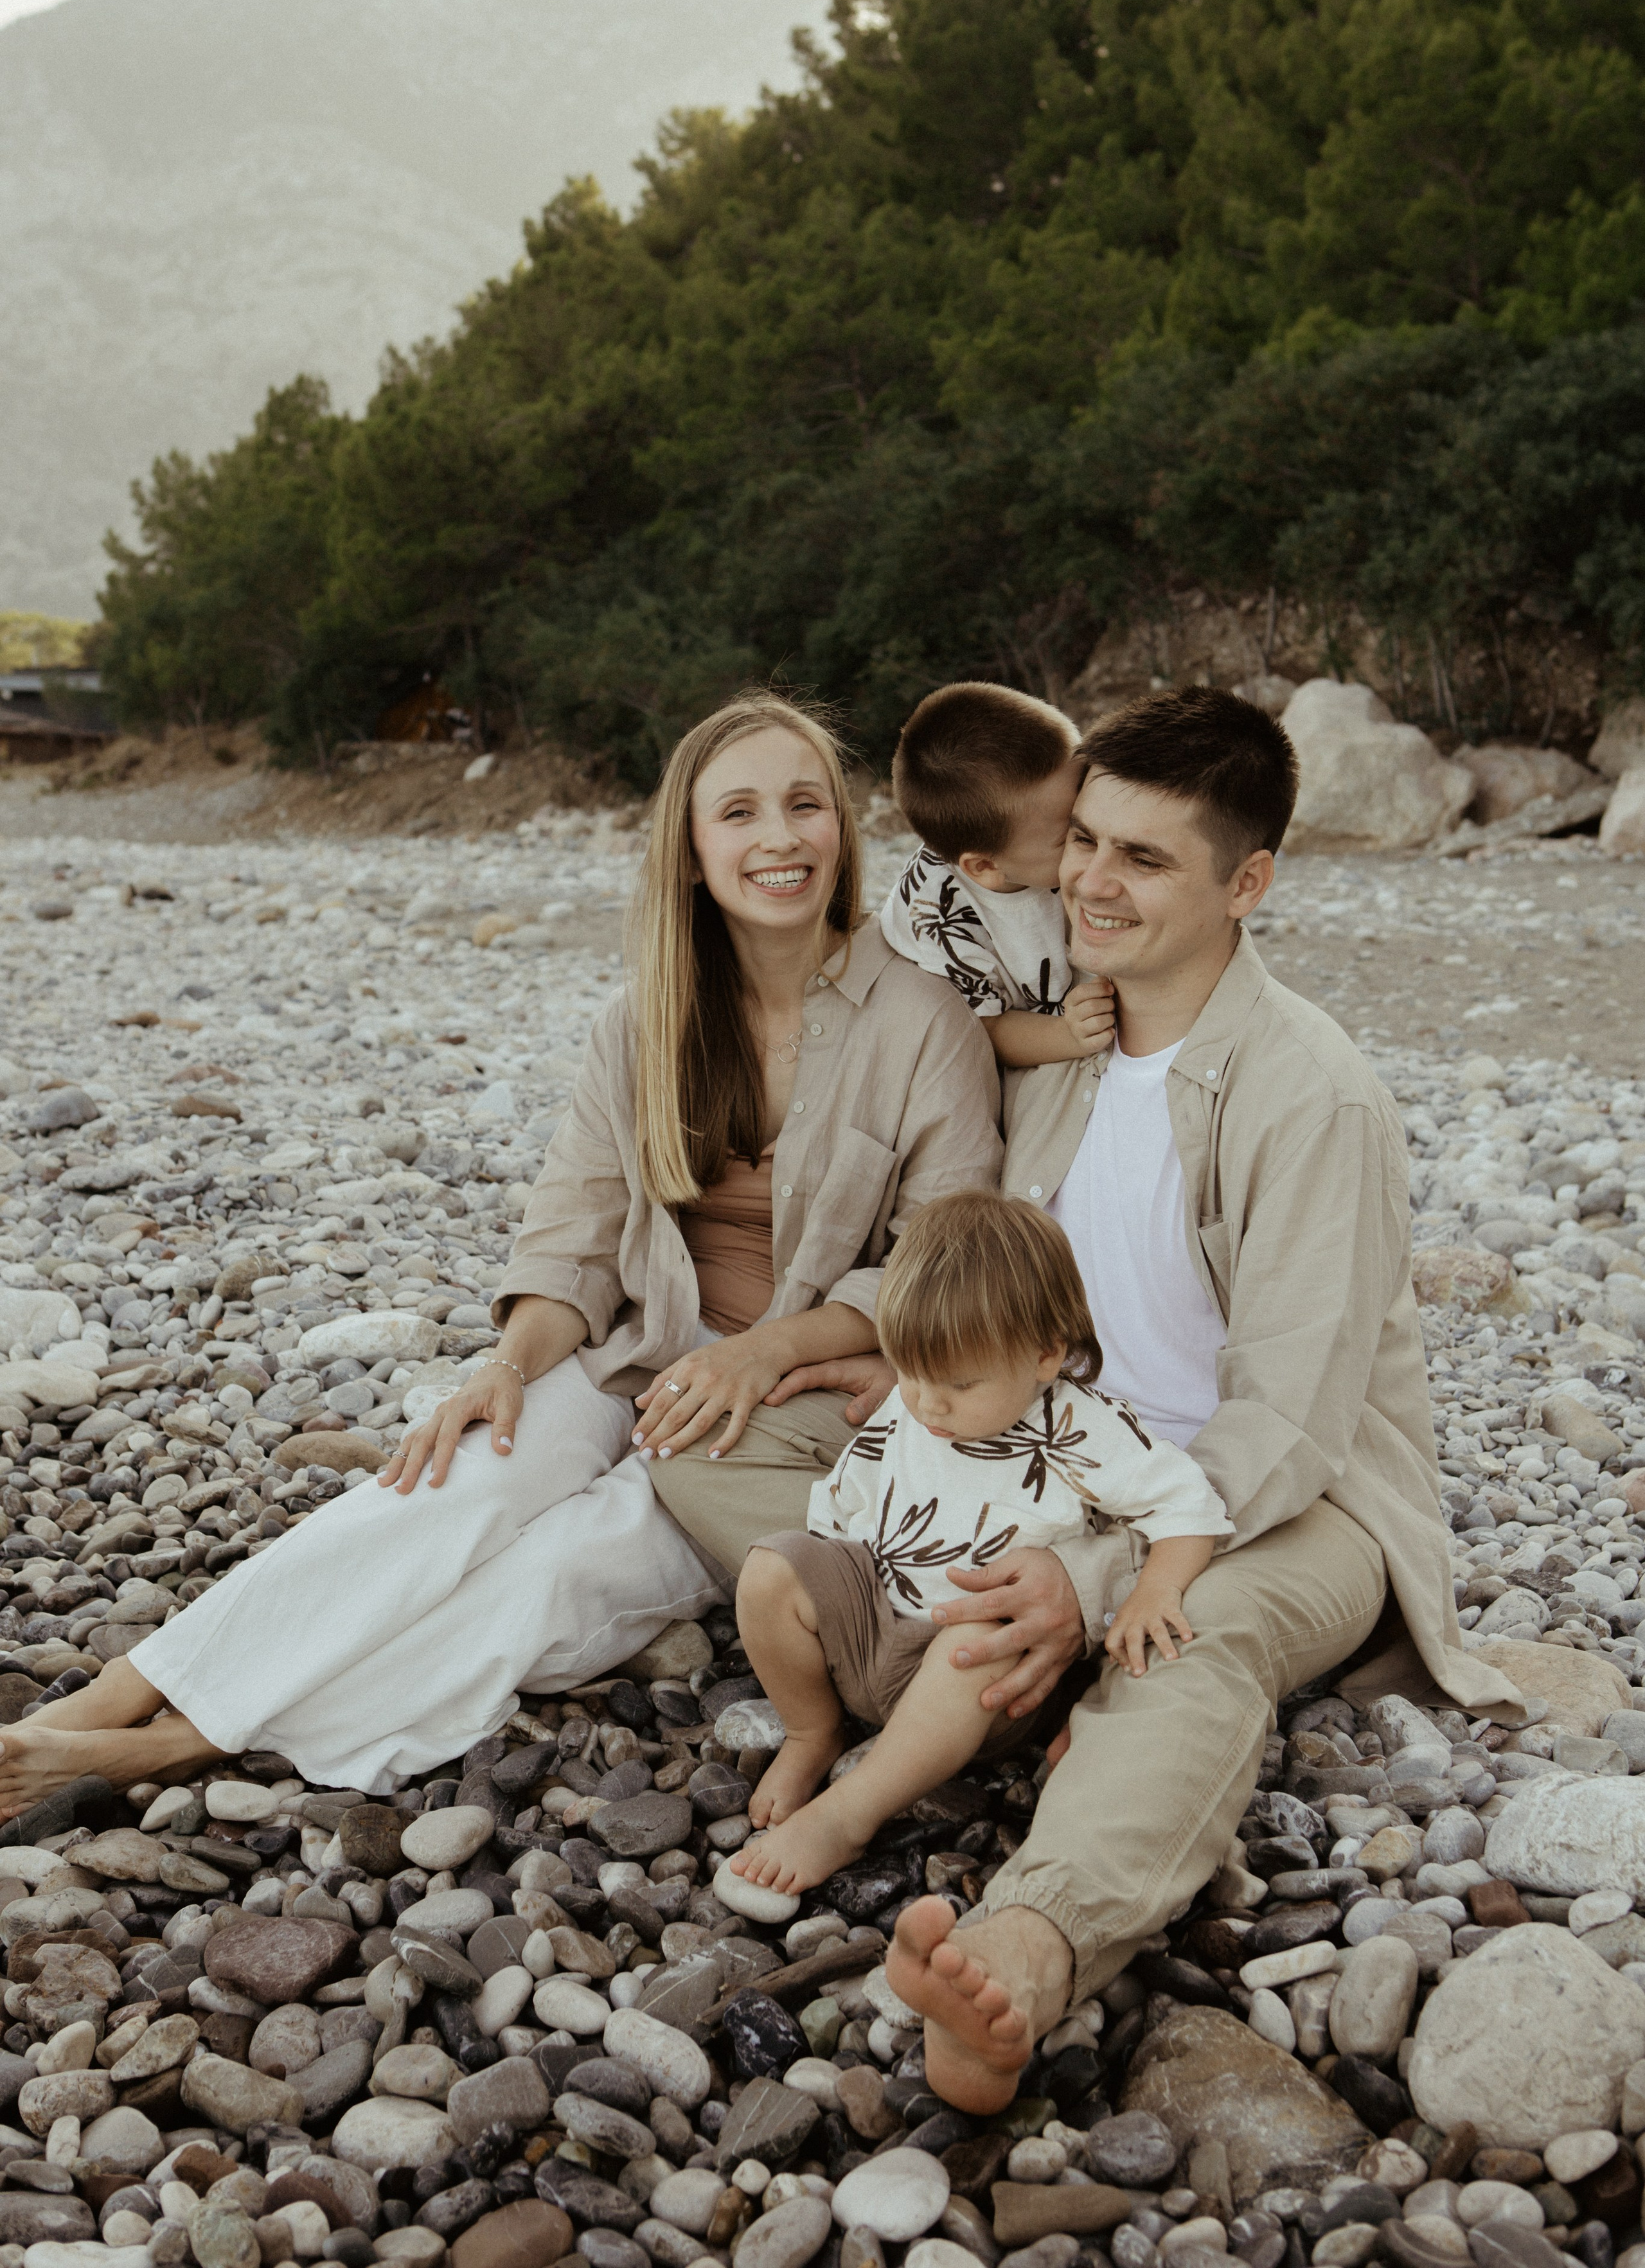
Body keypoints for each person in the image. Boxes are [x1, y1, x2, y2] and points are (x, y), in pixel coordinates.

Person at [651, 683, 1527, 2116]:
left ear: (1246, 884)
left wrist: (1097, 1572)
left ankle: (1028, 1947)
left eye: (1144, 858)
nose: (1092, 883)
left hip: (1276, 1507)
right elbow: (983, 1275)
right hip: (1045, 1446)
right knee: (716, 1451)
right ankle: (987, 1663)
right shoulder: (1055, 1054)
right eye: (1085, 841)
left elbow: (1288, 1425)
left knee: (1189, 1638)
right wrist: (905, 1366)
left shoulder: (1310, 1095)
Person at [0, 692, 1001, 1811]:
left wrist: (762, 1354)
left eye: (805, 805)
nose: (780, 838)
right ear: (690, 851)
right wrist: (508, 1366)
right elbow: (575, 1237)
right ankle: (118, 1695)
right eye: (740, 813)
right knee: (442, 1491)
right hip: (636, 1353)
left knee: (556, 1572)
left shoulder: (927, 1021)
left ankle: (191, 1745)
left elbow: (940, 1266)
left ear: (842, 830)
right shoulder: (643, 1021)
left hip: (792, 1403)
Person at [726, 1191, 1229, 1896]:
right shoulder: (913, 1404)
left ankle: (849, 1814)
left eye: (959, 1385)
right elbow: (844, 1506)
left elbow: (1188, 1507)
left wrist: (1155, 1590)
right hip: (877, 1628)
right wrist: (815, 1597)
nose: (927, 1403)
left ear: (1046, 1354)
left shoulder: (1081, 1429)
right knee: (770, 1569)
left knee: (975, 1644)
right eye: (911, 1372)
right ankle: (813, 1732)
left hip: (979, 1681)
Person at [880, 681, 1114, 1067]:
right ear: (986, 868)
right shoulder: (939, 924)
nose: (1094, 832)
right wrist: (1067, 1035)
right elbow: (987, 1030)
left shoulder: (1030, 836)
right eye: (1074, 837)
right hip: (1014, 1026)